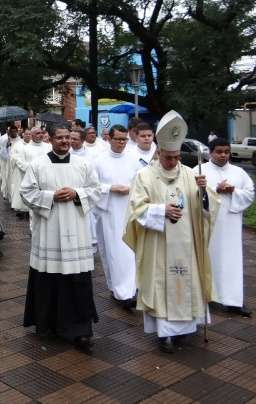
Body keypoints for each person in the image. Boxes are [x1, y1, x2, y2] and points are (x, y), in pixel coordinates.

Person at [123, 110, 219, 353]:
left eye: (177, 157)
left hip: (187, 245)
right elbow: (135, 209)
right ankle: (164, 334)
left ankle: (185, 330)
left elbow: (206, 209)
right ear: (159, 153)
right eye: (169, 157)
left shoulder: (190, 175)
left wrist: (203, 192)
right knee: (161, 284)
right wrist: (160, 210)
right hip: (159, 243)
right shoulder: (144, 176)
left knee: (187, 280)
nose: (174, 161)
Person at [20, 124, 101, 353]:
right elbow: (26, 193)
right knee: (49, 279)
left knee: (77, 282)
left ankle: (81, 331)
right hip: (49, 231)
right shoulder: (38, 165)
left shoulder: (84, 164)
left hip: (76, 232)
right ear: (51, 139)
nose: (65, 141)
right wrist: (51, 196)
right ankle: (48, 325)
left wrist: (77, 194)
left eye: (68, 137)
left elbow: (95, 190)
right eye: (60, 137)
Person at [200, 138, 255, 317]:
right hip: (208, 223)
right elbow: (189, 192)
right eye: (219, 151)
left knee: (231, 261)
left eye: (226, 151)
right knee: (208, 258)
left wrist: (234, 191)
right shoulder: (200, 171)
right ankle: (206, 297)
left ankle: (233, 301)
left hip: (231, 222)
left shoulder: (239, 172)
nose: (223, 155)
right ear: (210, 152)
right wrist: (215, 189)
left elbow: (249, 193)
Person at [93, 125, 142, 309]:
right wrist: (110, 188)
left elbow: (142, 182)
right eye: (118, 139)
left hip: (129, 210)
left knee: (130, 253)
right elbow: (92, 186)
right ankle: (119, 290)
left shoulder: (133, 160)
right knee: (114, 252)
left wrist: (132, 189)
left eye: (124, 139)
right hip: (108, 212)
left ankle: (130, 290)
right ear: (109, 139)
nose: (121, 143)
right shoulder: (99, 161)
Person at [9, 128, 50, 216]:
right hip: (31, 178)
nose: (41, 135)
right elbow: (21, 163)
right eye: (37, 133)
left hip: (46, 178)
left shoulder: (49, 147)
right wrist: (35, 169)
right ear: (32, 135)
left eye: (41, 133)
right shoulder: (25, 149)